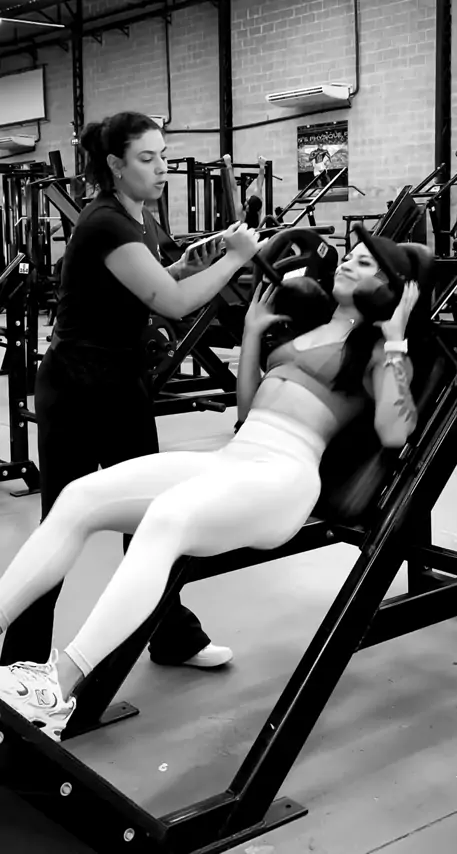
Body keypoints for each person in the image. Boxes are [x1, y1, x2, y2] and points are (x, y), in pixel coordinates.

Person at [0, 233, 430, 741]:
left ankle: (57, 689)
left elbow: (395, 433)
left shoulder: (378, 350)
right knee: (80, 497)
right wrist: (251, 334)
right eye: (351, 256)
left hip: (283, 477)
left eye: (366, 264)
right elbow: (247, 412)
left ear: (391, 290)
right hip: (235, 458)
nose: (349, 264)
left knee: (168, 518)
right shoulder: (307, 332)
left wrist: (397, 335)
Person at [0, 111, 260, 673]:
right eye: (147, 158)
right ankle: (17, 663)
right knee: (62, 525)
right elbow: (171, 302)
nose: (162, 167)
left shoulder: (137, 217)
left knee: (152, 516)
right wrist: (237, 258)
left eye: (163, 154)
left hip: (120, 384)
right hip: (78, 388)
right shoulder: (106, 222)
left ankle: (171, 636)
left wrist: (180, 265)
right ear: (115, 165)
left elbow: (150, 283)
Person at [223, 153, 266, 229]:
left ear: (248, 207)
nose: (247, 198)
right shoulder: (258, 211)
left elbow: (234, 188)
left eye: (247, 200)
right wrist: (262, 167)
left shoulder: (241, 214)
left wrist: (229, 166)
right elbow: (259, 185)